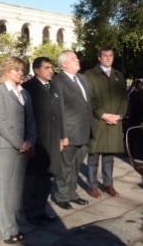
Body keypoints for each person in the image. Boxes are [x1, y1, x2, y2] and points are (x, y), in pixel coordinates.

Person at [0, 56, 36, 243]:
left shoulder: (25, 93)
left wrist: (31, 140)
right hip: (4, 147)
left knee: (16, 191)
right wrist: (20, 143)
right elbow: (0, 122)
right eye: (17, 69)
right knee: (4, 190)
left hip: (23, 147)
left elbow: (31, 119)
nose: (21, 73)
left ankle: (14, 226)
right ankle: (5, 231)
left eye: (22, 69)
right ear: (7, 71)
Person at [50, 50, 95, 210]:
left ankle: (72, 194)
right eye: (73, 59)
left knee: (76, 166)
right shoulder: (58, 82)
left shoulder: (82, 78)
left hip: (85, 131)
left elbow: (87, 105)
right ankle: (61, 196)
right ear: (63, 65)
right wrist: (62, 136)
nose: (77, 60)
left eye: (76, 58)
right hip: (69, 133)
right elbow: (58, 110)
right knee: (65, 167)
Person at [21, 56, 62, 226]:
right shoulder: (27, 88)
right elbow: (23, 117)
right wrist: (27, 142)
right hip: (36, 142)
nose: (51, 70)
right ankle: (30, 211)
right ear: (37, 70)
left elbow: (59, 114)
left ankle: (41, 209)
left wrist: (61, 137)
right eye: (47, 67)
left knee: (46, 178)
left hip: (52, 142)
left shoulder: (54, 87)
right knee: (32, 180)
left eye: (51, 67)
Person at [83, 47, 128, 198]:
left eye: (111, 56)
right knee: (94, 156)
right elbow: (90, 98)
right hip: (98, 122)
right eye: (105, 56)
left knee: (109, 157)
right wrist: (103, 115)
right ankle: (92, 185)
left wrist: (119, 115)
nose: (108, 58)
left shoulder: (118, 75)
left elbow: (124, 98)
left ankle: (108, 184)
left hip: (114, 122)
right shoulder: (89, 75)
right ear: (99, 58)